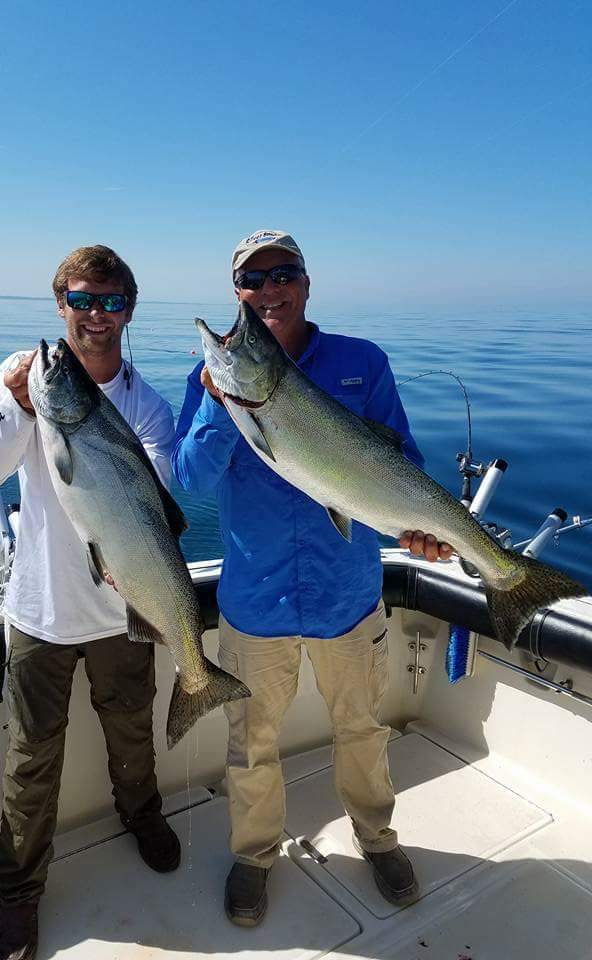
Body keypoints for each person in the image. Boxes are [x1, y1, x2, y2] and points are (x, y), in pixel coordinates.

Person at [172, 230, 452, 926]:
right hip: (256, 602)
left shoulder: (362, 362)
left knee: (363, 730)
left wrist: (418, 526)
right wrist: (218, 400)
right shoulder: (213, 382)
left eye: (282, 275)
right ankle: (254, 855)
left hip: (348, 597)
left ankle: (378, 840)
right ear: (237, 291)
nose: (268, 291)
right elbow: (187, 480)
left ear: (306, 282)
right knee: (251, 745)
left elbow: (402, 463)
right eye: (253, 281)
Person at [0, 246, 181, 960]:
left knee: (132, 737)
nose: (95, 316)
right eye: (82, 301)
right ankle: (19, 895)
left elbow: (156, 506)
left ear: (130, 311)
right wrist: (21, 409)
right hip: (37, 611)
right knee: (29, 760)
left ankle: (142, 816)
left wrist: (131, 564)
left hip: (122, 612)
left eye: (111, 302)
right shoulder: (25, 377)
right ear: (61, 304)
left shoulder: (147, 407)